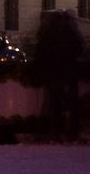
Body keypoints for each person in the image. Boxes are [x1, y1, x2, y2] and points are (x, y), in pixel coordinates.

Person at [31, 11, 84, 140]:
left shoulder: (48, 34)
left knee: (55, 103)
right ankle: (73, 131)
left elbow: (41, 53)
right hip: (69, 71)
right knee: (72, 103)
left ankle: (56, 131)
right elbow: (80, 50)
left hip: (54, 72)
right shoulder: (72, 33)